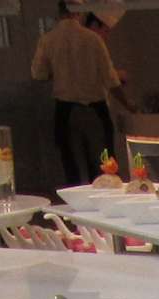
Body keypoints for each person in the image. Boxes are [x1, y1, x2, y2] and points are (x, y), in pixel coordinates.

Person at [32, 7, 123, 187]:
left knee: (71, 166)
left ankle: (75, 201)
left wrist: (59, 73)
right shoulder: (93, 39)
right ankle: (103, 199)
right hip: (95, 109)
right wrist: (128, 104)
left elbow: (38, 74)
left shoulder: (48, 39)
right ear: (79, 12)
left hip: (65, 110)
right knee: (103, 166)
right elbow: (110, 79)